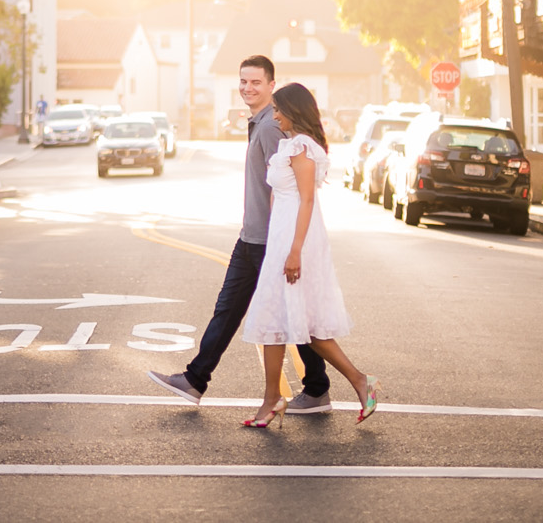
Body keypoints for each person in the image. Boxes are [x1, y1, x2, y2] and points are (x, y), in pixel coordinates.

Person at [146, 55, 335, 412]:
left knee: (280, 316)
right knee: (236, 310)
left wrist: (288, 245)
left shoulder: (269, 127)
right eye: (243, 82)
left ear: (271, 86)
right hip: (255, 236)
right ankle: (198, 378)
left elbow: (289, 189)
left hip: (266, 240)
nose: (248, 88)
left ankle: (321, 386)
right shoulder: (264, 123)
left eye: (256, 83)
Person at [238, 82, 381, 427]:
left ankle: (360, 380)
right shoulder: (287, 145)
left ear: (293, 111)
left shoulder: (301, 147)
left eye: (278, 110)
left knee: (305, 323)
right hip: (281, 238)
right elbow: (278, 195)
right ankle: (273, 397)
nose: (274, 115)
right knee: (278, 319)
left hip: (297, 239)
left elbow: (306, 200)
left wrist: (295, 251)